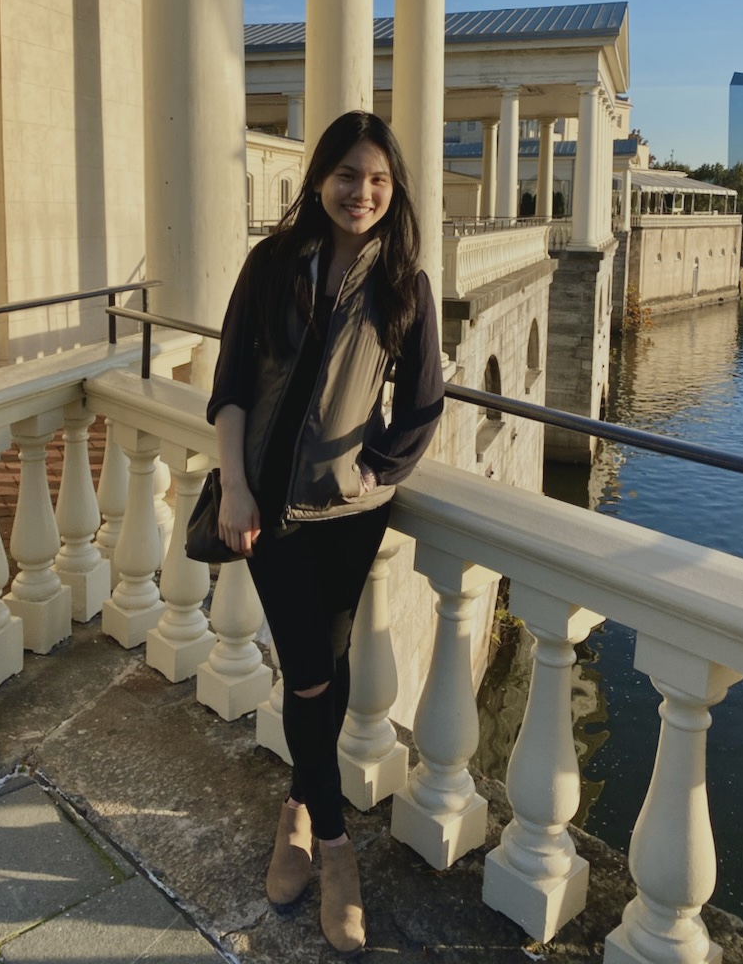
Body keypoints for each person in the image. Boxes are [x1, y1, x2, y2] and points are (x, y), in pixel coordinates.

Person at [207, 110, 444, 953]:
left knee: (326, 667)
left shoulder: (404, 285)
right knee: (310, 675)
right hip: (267, 511)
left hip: (347, 517)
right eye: (348, 175)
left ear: (394, 189)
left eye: (378, 179)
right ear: (319, 180)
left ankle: (298, 812)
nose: (363, 193)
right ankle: (337, 852)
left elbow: (422, 404)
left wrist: (376, 469)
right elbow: (231, 382)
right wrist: (235, 487)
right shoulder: (271, 266)